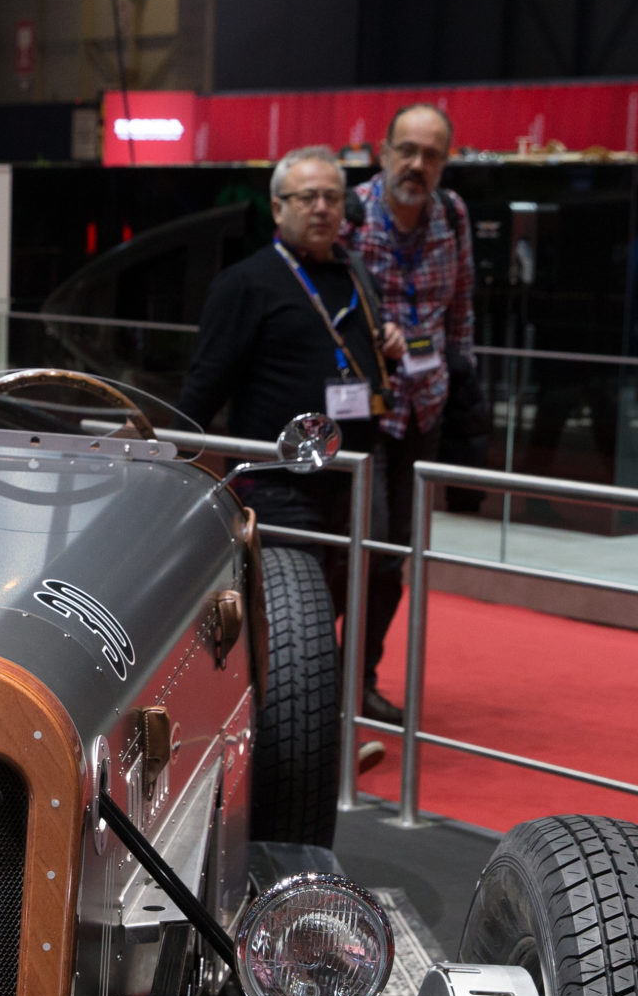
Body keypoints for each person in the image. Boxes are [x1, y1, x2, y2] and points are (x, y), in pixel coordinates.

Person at [179, 144, 404, 723]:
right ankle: (286, 716)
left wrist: (389, 347)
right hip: (282, 476)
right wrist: (169, 454)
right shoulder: (246, 282)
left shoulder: (354, 273)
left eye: (332, 197)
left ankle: (344, 694)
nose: (322, 208)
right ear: (278, 208)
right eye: (307, 198)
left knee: (372, 580)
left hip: (359, 469)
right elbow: (206, 383)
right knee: (296, 600)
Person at [347, 105, 473, 720]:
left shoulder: (453, 214)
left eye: (431, 155)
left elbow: (462, 305)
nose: (417, 165)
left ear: (445, 162)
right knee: (353, 549)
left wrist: (462, 374)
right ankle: (315, 674)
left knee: (394, 554)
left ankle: (360, 677)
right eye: (407, 150)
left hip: (425, 408)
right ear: (384, 150)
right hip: (359, 410)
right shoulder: (348, 212)